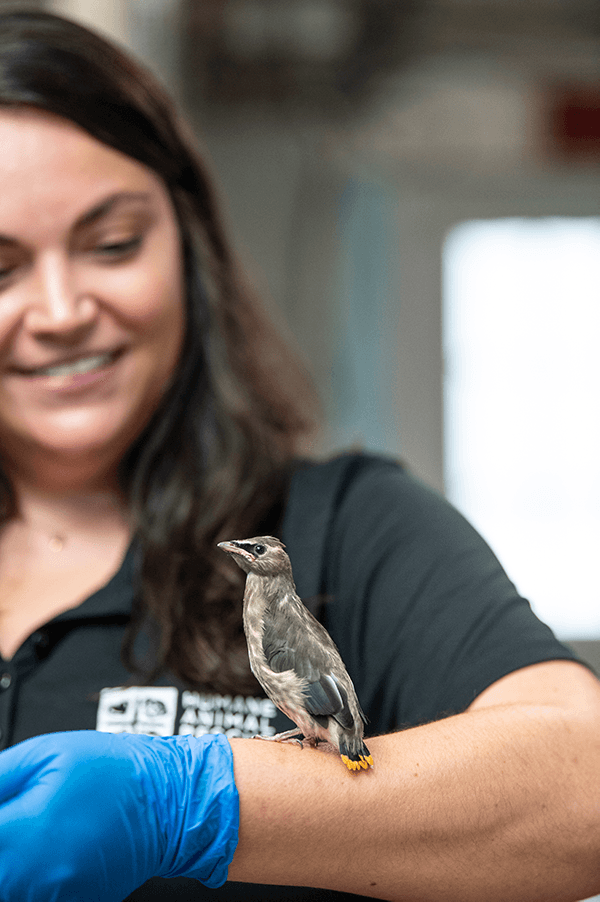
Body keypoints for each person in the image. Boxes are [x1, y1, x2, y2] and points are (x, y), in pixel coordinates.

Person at [0, 9, 598, 902]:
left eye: (113, 244)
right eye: (0, 267)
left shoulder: (347, 528)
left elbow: (583, 788)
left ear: (189, 246)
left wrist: (195, 803)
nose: (60, 310)